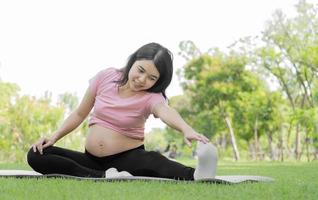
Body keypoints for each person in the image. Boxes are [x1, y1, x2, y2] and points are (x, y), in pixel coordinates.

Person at [27, 42, 218, 180]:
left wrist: (186, 129)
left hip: (129, 159)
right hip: (90, 160)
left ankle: (197, 175)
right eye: (141, 70)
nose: (143, 80)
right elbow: (79, 114)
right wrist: (54, 136)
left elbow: (165, 111)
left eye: (152, 78)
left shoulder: (152, 96)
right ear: (133, 61)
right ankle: (102, 176)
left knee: (155, 162)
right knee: (36, 154)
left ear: (157, 82)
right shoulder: (105, 77)